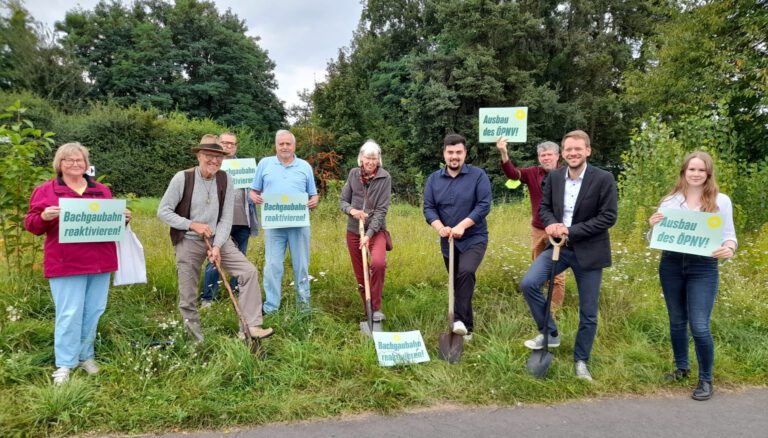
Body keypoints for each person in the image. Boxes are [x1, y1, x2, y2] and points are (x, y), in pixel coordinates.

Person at [25, 142, 131, 385]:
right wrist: (42, 217)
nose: (75, 164)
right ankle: (65, 363)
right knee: (69, 313)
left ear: (86, 164)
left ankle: (86, 356)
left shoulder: (102, 190)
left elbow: (109, 224)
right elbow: (31, 224)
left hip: (100, 262)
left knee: (94, 311)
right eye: (68, 160)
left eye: (79, 160)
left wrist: (122, 219)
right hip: (65, 264)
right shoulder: (46, 190)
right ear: (59, 164)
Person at [519, 130, 617, 381]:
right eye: (568, 149)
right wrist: (551, 224)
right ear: (563, 153)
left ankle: (581, 360)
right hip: (560, 249)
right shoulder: (555, 178)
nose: (573, 153)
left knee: (588, 312)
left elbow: (608, 217)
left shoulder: (603, 178)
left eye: (578, 149)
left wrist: (570, 230)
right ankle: (550, 332)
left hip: (589, 252)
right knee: (529, 283)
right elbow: (545, 208)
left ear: (588, 151)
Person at [157, 135, 272, 342]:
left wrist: (218, 245)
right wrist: (191, 224)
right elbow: (163, 211)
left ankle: (250, 328)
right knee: (188, 295)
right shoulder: (183, 178)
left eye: (219, 157)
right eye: (210, 156)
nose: (214, 161)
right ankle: (195, 341)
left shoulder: (226, 179)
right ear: (200, 155)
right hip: (188, 240)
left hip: (218, 239)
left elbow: (227, 217)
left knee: (248, 272)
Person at [648, 151, 737, 401]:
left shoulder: (722, 201)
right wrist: (653, 226)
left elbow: (730, 235)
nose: (696, 174)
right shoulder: (670, 201)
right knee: (676, 320)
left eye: (701, 170)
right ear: (683, 172)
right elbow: (656, 238)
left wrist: (729, 248)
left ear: (708, 173)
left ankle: (706, 379)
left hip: (704, 267)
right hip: (671, 264)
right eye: (691, 169)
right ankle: (681, 367)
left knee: (699, 325)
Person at [423, 133, 492, 341]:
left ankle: (459, 322)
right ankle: (466, 328)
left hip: (474, 237)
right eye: (450, 152)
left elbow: (484, 205)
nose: (454, 156)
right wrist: (439, 227)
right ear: (444, 153)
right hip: (448, 240)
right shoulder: (434, 179)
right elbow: (428, 208)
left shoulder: (478, 176)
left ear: (465, 154)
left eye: (458, 152)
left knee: (466, 272)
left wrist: (462, 225)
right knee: (456, 282)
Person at [249, 130, 319, 313]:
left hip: (299, 225)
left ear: (294, 146)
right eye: (281, 144)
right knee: (272, 266)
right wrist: (254, 197)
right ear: (276, 146)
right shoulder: (265, 164)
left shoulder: (304, 166)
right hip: (274, 225)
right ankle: (271, 307)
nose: (285, 147)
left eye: (288, 144)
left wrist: (314, 200)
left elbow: (314, 194)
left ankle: (303, 307)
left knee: (301, 265)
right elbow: (253, 190)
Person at [495, 137, 566, 310]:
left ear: (558, 156)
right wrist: (504, 152)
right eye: (543, 155)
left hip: (560, 231)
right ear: (539, 158)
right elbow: (513, 174)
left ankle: (553, 312)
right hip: (538, 229)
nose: (546, 158)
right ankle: (540, 305)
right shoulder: (533, 173)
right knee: (538, 270)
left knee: (557, 274)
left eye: (549, 154)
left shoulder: (567, 174)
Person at [200, 132, 260, 308]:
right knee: (214, 257)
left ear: (236, 146)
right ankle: (208, 298)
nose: (228, 146)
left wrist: (255, 194)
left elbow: (255, 190)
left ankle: (236, 293)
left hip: (242, 220)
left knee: (240, 259)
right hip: (218, 222)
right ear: (219, 144)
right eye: (225, 143)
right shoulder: (213, 165)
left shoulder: (246, 167)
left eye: (232, 144)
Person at [339, 140, 392, 321]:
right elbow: (343, 202)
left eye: (374, 158)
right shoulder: (353, 174)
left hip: (376, 231)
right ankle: (368, 310)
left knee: (378, 263)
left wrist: (369, 235)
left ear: (379, 160)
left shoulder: (385, 178)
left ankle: (376, 308)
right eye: (367, 158)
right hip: (354, 231)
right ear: (361, 158)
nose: (370, 161)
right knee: (361, 272)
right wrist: (352, 211)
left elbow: (382, 210)